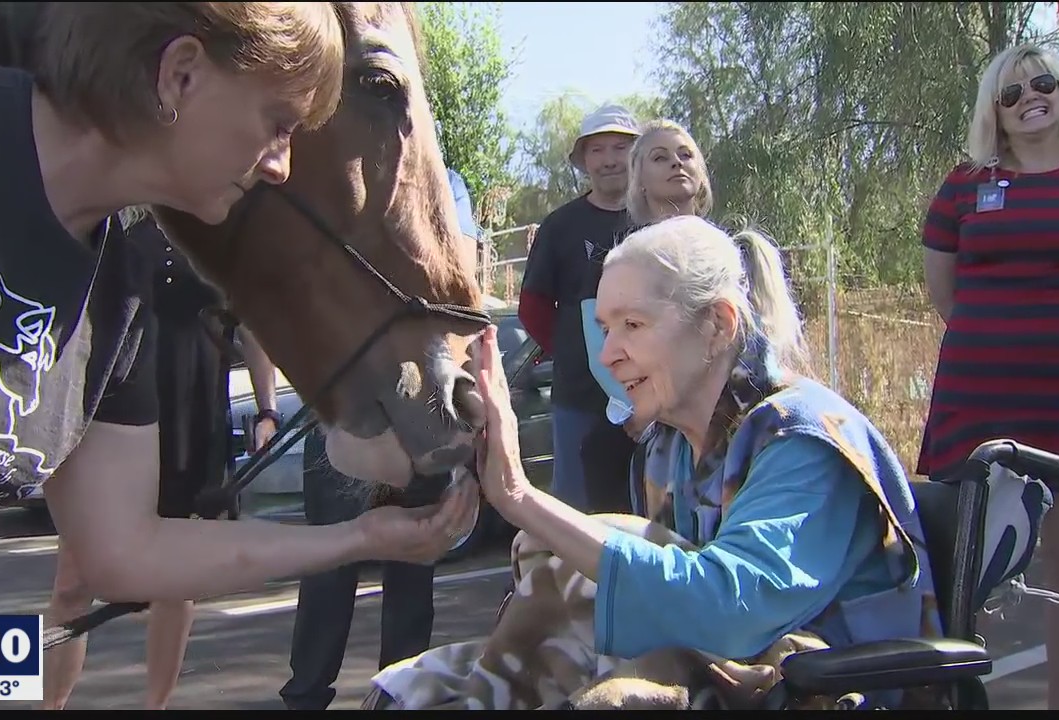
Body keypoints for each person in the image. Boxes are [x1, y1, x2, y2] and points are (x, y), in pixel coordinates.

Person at [0, 5, 477, 710]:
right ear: (180, 76)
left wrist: (360, 537)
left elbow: (125, 554)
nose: (282, 163)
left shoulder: (116, 298)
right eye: (277, 123)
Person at [364, 215, 941, 710]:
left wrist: (521, 498)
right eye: (604, 328)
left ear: (717, 325)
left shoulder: (804, 440)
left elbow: (732, 613)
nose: (609, 353)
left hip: (829, 688)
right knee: (417, 684)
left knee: (576, 574)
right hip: (720, 674)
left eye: (633, 325)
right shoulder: (667, 449)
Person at [917, 43, 1059, 711]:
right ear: (993, 112)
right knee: (966, 570)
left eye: (1042, 82)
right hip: (980, 398)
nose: (1030, 95)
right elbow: (943, 288)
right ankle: (956, 702)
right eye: (1010, 92)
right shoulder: (965, 184)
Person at [40, 216, 280, 710]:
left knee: (175, 580)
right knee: (72, 582)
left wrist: (268, 410)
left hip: (192, 416)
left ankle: (156, 706)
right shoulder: (121, 215)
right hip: (111, 415)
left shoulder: (222, 229)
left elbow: (255, 326)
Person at [279, 167, 483, 711]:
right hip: (343, 406)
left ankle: (401, 695)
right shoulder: (319, 178)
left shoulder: (447, 183)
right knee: (329, 564)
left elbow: (459, 285)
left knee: (414, 563)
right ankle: (306, 697)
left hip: (422, 408)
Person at [579, 118, 715, 514]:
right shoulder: (617, 262)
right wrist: (643, 409)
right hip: (642, 414)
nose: (677, 163)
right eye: (660, 157)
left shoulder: (731, 252)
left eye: (685, 154)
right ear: (638, 180)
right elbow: (600, 350)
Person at [518, 104, 640, 513]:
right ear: (584, 160)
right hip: (579, 399)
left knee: (649, 505)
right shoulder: (560, 226)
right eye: (597, 150)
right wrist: (575, 351)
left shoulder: (654, 220)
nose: (609, 160)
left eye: (620, 148)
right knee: (579, 511)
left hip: (653, 394)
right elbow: (532, 308)